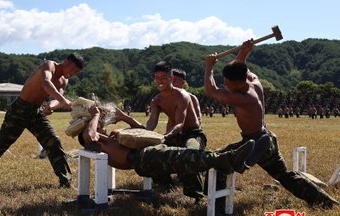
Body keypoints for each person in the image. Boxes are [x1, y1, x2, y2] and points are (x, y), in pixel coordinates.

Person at [204, 39, 339, 209]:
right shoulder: (254, 82)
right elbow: (241, 66)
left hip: (253, 142)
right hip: (266, 137)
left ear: (238, 83)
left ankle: (219, 206)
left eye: (227, 82)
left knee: (219, 161)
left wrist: (209, 66)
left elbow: (211, 90)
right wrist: (245, 51)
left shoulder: (242, 98)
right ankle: (322, 200)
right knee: (284, 176)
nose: (224, 84)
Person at [0, 53, 84, 188]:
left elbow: (57, 97)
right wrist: (61, 100)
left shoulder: (64, 81)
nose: (72, 73)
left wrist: (51, 105)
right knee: (0, 146)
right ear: (66, 62)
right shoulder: (49, 65)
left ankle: (66, 181)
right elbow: (46, 82)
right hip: (19, 110)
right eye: (72, 69)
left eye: (76, 72)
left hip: (36, 112)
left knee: (53, 142)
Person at [78, 105, 255, 184]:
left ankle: (230, 154)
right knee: (183, 157)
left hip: (148, 153)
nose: (101, 126)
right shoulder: (95, 142)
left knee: (186, 156)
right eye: (98, 126)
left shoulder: (112, 138)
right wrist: (93, 115)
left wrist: (124, 117)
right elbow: (90, 134)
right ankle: (229, 158)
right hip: (141, 158)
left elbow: (141, 130)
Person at [144, 61, 207, 201]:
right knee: (152, 151)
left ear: (171, 78)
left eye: (163, 78)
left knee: (190, 153)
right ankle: (164, 184)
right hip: (175, 134)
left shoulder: (183, 96)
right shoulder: (156, 100)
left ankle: (196, 194)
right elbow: (152, 121)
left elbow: (179, 123)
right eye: (157, 77)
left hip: (192, 133)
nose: (159, 81)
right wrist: (144, 134)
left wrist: (166, 136)